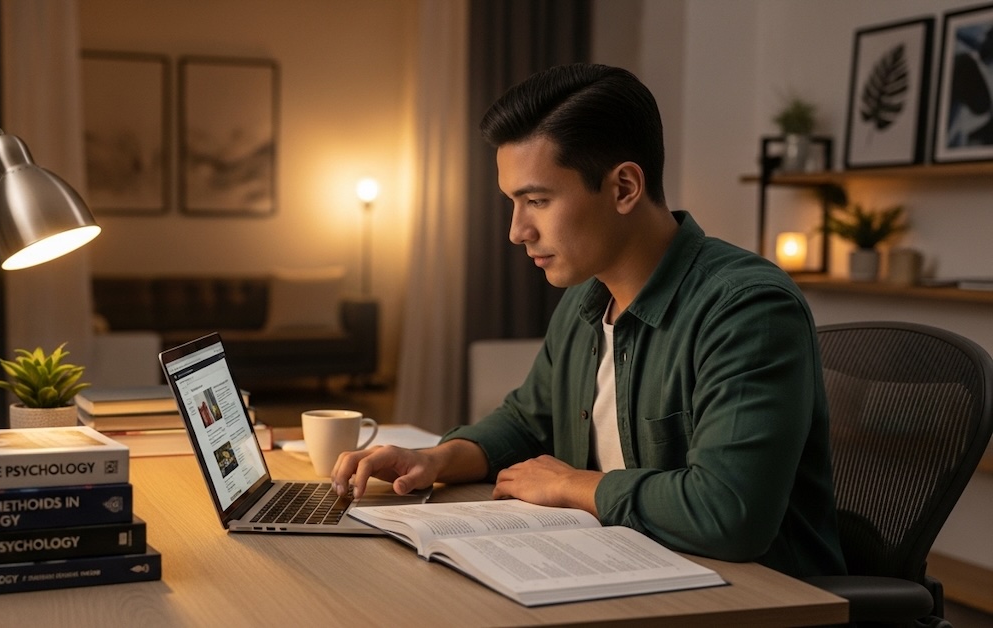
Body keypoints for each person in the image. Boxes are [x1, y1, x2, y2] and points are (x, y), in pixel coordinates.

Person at [332, 63, 846, 578]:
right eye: (513, 203)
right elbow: (526, 421)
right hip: (628, 572)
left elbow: (728, 513)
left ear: (624, 187)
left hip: (760, 596)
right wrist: (437, 460)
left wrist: (572, 485)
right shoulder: (586, 297)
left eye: (537, 200)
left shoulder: (746, 309)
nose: (517, 231)